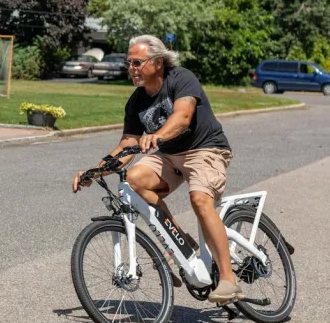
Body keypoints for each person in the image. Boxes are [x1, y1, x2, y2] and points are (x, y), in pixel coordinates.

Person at [71, 35, 240, 304]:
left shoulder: (181, 78)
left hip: (206, 149)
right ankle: (180, 241)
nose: (131, 69)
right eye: (129, 63)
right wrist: (94, 171)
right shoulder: (136, 101)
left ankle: (229, 280)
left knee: (199, 199)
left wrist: (158, 135)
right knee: (134, 179)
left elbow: (183, 117)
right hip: (170, 156)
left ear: (158, 62)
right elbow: (127, 145)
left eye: (137, 62)